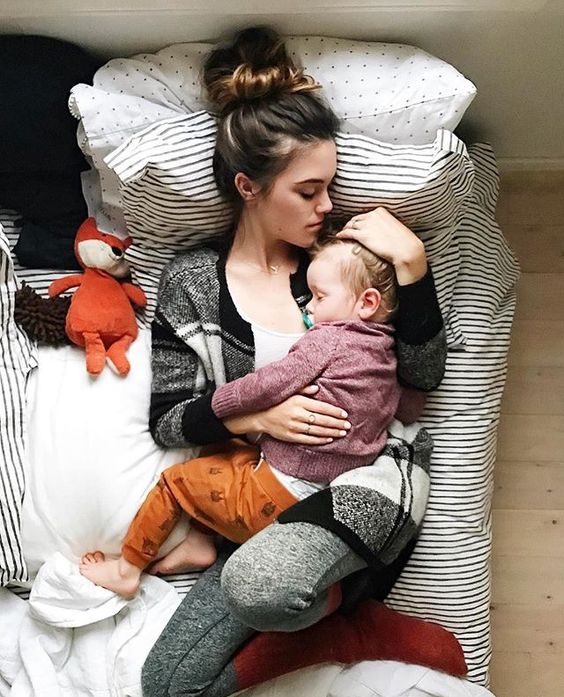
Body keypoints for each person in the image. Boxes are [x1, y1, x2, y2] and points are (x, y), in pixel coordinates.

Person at [138, 26, 447, 697]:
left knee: (263, 585)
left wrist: (414, 267)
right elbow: (168, 420)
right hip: (265, 504)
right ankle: (345, 629)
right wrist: (258, 416)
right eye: (309, 191)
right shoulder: (192, 281)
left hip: (366, 483)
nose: (328, 206)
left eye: (329, 187)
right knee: (166, 684)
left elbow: (421, 376)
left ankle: (343, 600)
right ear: (248, 186)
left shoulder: (340, 265)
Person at [80, 235, 401, 597]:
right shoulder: (385, 355)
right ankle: (200, 541)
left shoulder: (330, 339)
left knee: (175, 482)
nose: (309, 307)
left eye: (320, 297)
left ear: (366, 302)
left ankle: (126, 569)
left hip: (271, 498)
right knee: (224, 445)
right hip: (316, 499)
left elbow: (269, 383)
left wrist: (219, 402)